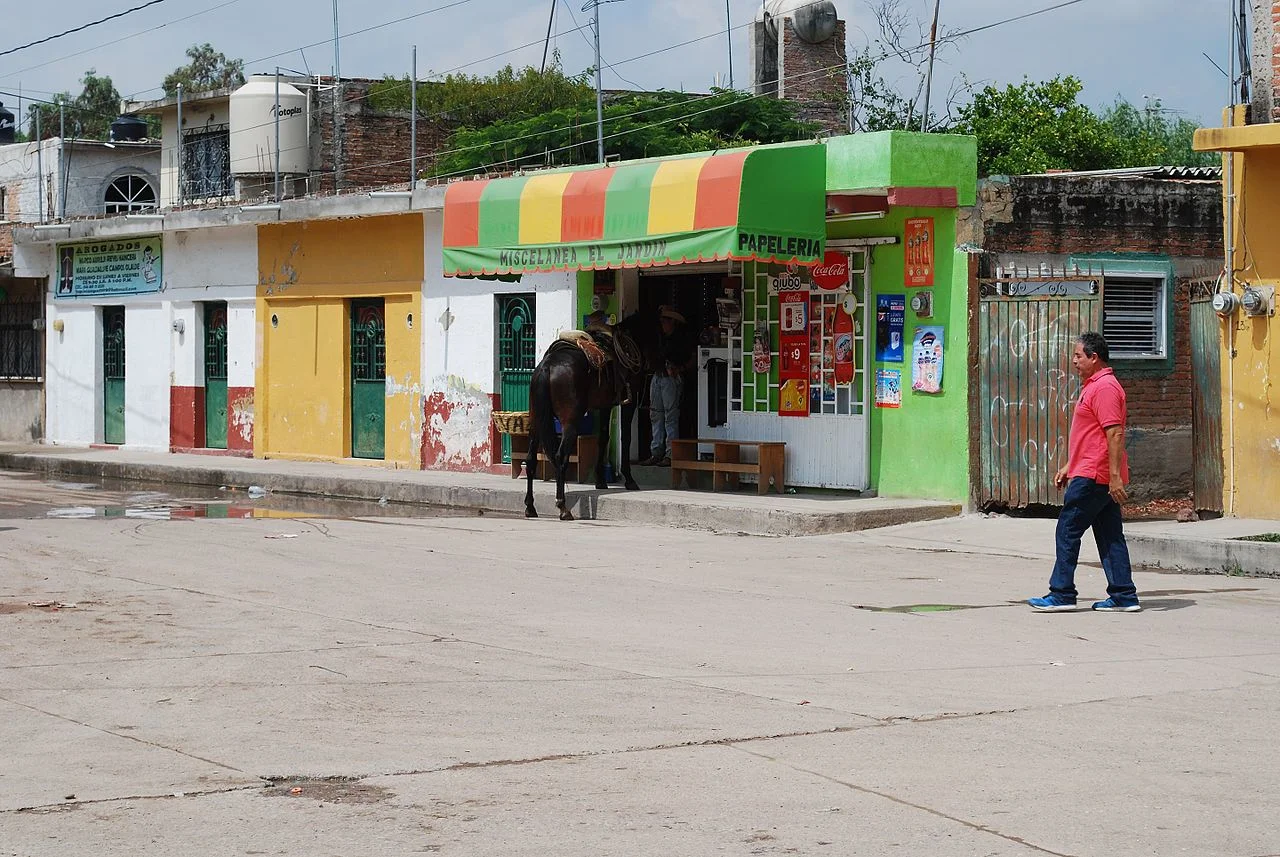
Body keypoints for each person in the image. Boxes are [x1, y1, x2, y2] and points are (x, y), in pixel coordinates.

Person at [1029, 332, 1142, 613]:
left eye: (1079, 356)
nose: (1074, 361)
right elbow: (1091, 434)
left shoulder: (1104, 388)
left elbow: (1114, 433)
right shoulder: (1094, 385)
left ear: (1094, 357)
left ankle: (1062, 593)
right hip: (1091, 470)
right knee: (1110, 535)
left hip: (1095, 476)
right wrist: (1070, 465)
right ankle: (1123, 595)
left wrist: (1114, 476)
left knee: (1067, 530)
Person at [640, 306, 692, 467]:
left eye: (665, 321)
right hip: (658, 376)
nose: (662, 324)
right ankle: (656, 452)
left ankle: (670, 454)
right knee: (656, 415)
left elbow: (693, 358)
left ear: (672, 322)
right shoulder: (659, 339)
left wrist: (679, 369)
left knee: (670, 416)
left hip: (670, 378)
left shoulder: (680, 340)